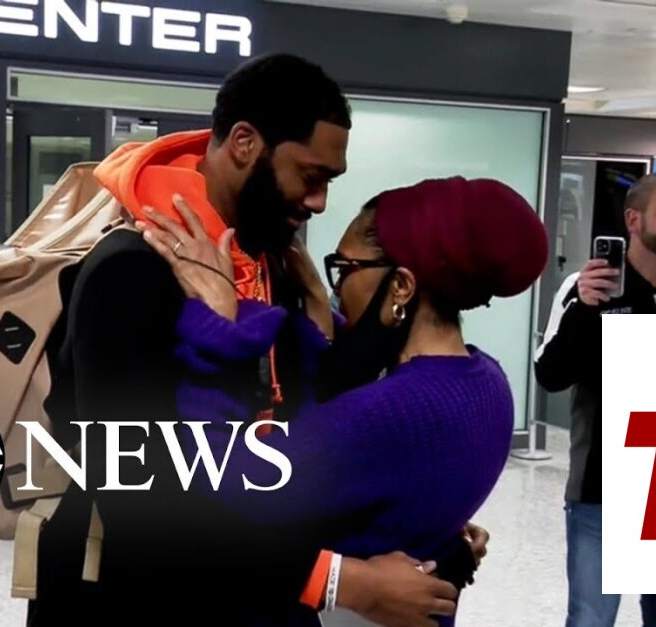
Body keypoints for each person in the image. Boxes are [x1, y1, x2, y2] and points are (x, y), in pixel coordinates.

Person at [29, 53, 470, 626]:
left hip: (251, 594)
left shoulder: (268, 262)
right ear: (244, 143)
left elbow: (294, 427)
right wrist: (340, 582)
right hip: (128, 601)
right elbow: (138, 497)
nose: (319, 202)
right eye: (310, 176)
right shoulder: (133, 268)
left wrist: (419, 518)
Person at [137, 175, 548, 626]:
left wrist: (218, 332)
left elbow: (221, 475)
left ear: (401, 287)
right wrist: (315, 303)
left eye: (344, 270)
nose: (336, 289)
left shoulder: (392, 412)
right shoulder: (488, 381)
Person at [534, 172, 656, 627]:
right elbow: (550, 376)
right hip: (601, 492)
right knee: (590, 620)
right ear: (633, 220)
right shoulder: (585, 289)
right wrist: (586, 309)